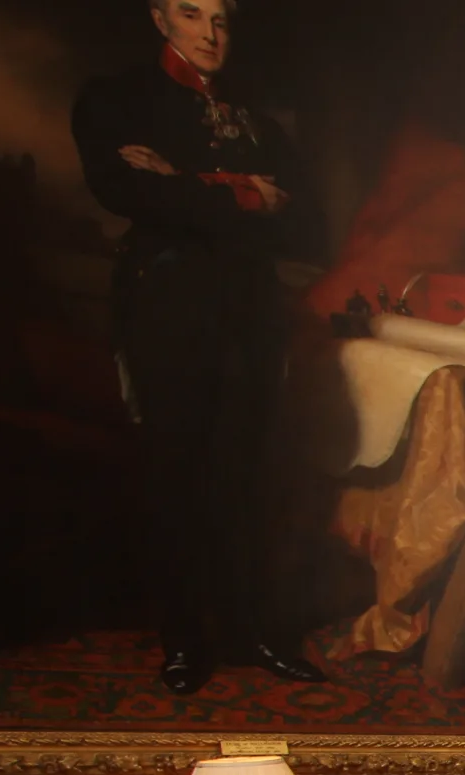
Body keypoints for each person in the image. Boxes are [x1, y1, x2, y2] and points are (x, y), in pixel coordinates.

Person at [72, 0, 324, 693]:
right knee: (175, 469)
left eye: (222, 19)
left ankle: (254, 635)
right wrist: (242, 192)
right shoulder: (117, 98)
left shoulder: (258, 115)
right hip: (166, 303)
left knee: (244, 472)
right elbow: (122, 189)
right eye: (193, 14)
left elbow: (306, 220)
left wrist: (182, 185)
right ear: (160, 18)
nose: (212, 34)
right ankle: (184, 640)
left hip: (248, 311)